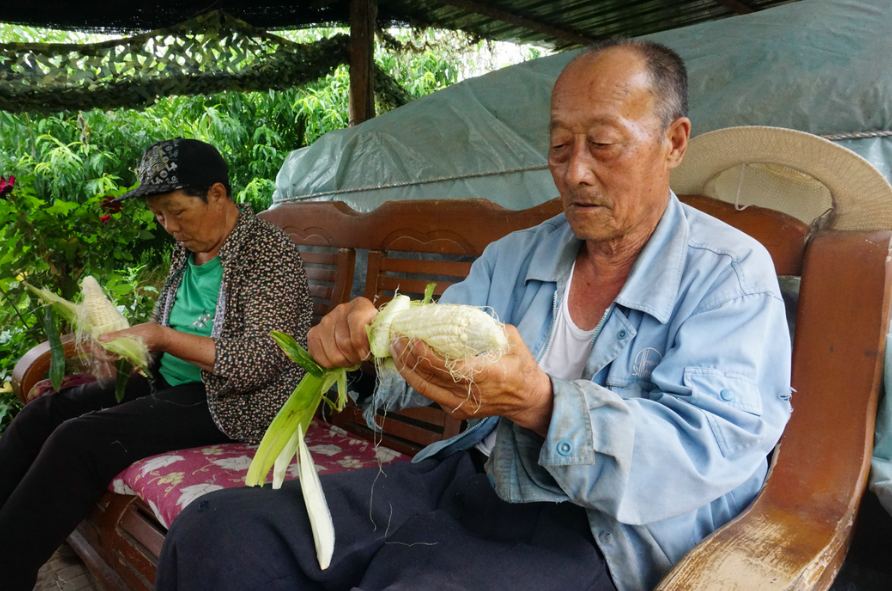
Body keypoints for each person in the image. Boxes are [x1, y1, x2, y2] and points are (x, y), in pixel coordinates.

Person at [155, 40, 792, 591]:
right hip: (470, 476)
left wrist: (542, 404)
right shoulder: (517, 254)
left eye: (603, 145)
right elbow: (430, 353)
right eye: (561, 145)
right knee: (216, 532)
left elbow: (706, 450)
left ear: (674, 142)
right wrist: (371, 348)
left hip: (601, 530)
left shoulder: (730, 276)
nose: (575, 172)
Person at [0, 138, 313, 591]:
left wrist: (161, 336)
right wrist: (133, 349)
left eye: (176, 211)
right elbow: (178, 323)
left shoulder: (266, 251)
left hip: (232, 402)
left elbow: (263, 359)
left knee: (80, 440)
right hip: (169, 380)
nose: (168, 226)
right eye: (158, 216)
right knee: (40, 415)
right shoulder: (189, 247)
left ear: (218, 195)